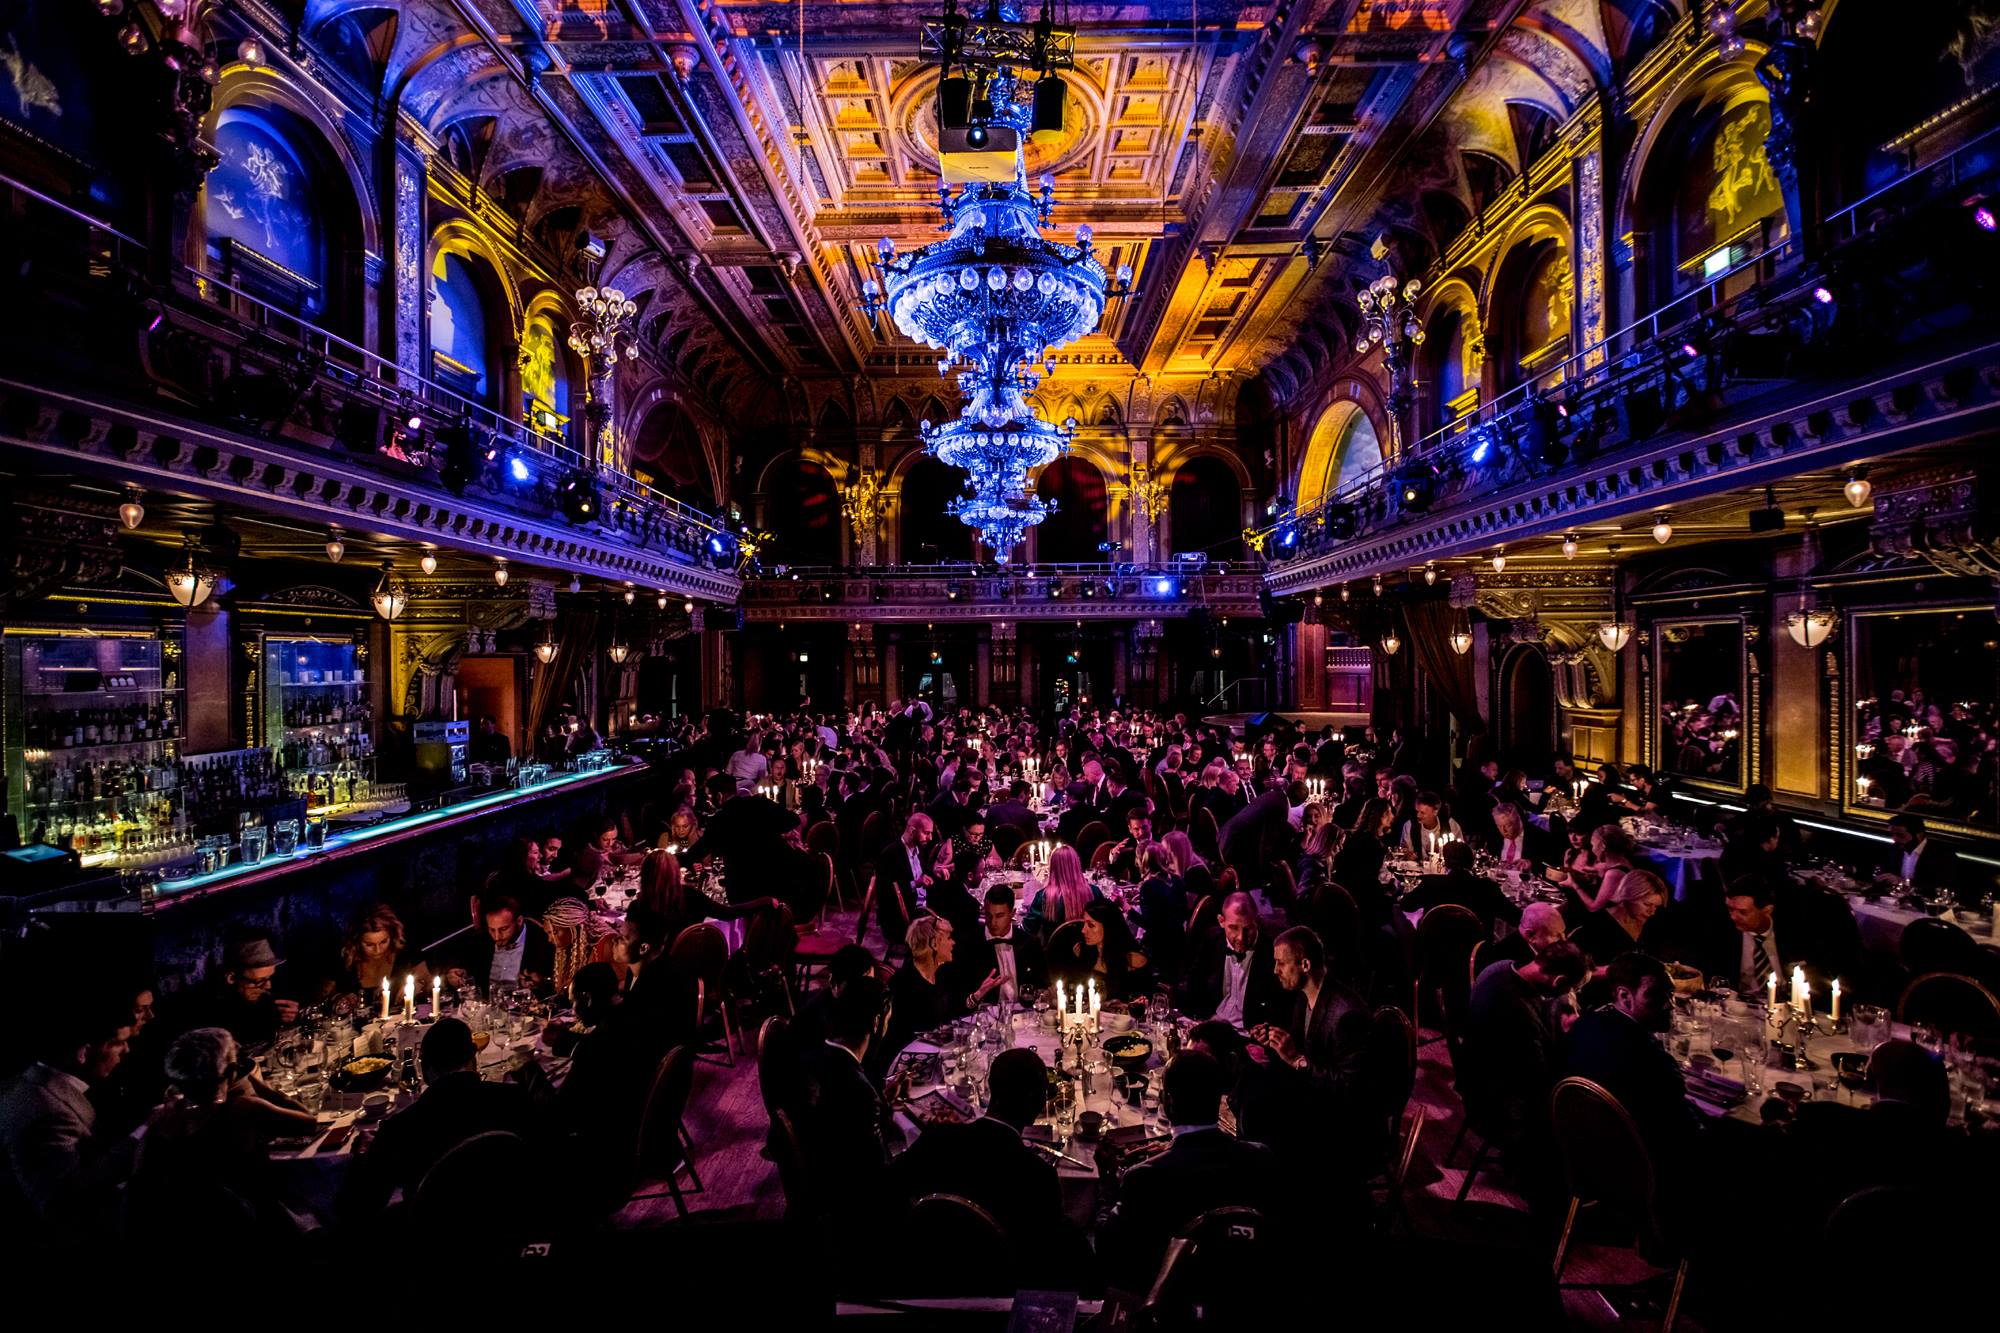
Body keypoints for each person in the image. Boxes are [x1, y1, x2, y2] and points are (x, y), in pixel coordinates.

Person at [890, 1047, 1081, 1281]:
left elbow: (887, 1188)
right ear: (1039, 1100)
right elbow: (1051, 1256)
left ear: (990, 1088)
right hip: (996, 1286)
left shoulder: (938, 1139)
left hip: (922, 1272)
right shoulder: (1037, 1175)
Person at [1097, 1049, 1283, 1289]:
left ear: (1168, 1101)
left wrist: (1108, 1182)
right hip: (1246, 1285)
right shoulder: (1261, 1157)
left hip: (1170, 1295)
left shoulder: (1143, 1178)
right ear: (1219, 1099)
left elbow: (1107, 1247)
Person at [127, 1027, 316, 1249]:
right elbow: (308, 1123)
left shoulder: (161, 1121)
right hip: (256, 1226)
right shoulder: (243, 1108)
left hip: (189, 1234)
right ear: (232, 1071)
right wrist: (264, 1088)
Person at [337, 1019, 541, 1223]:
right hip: (514, 1220)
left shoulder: (400, 1129)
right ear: (473, 1054)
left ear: (423, 1067)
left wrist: (361, 1156)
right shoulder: (515, 1099)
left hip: (436, 1233)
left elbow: (356, 1209)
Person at [0, 998, 137, 1232]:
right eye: (117, 1043)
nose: (126, 1050)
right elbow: (62, 1202)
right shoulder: (49, 1112)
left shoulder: (27, 1082)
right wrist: (142, 1136)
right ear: (84, 1052)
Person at [1462, 941, 1589, 1179]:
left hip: (1474, 1073)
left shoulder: (1500, 967)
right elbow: (1537, 1080)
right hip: (1492, 1104)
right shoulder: (1519, 1013)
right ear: (1559, 981)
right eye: (1569, 989)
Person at [1563, 952, 1699, 1173]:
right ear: (1625, 996)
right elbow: (1683, 1128)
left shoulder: (1585, 1024)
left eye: (1671, 994)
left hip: (1584, 1153)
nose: (1670, 1005)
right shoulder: (1651, 1061)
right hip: (1638, 1166)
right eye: (1656, 995)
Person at [794, 974, 895, 1225]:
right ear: (876, 1022)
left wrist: (882, 1100)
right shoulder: (860, 1091)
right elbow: (879, 1172)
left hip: (816, 1179)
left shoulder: (815, 1057)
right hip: (849, 1206)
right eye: (887, 1021)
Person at [1703, 872, 1862, 997]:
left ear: (1767, 910)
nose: (1733, 917)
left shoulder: (1797, 933)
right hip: (1738, 1009)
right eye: (1730, 909)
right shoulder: (1720, 931)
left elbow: (1821, 981)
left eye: (1742, 912)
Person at [1254, 926, 1371, 1090]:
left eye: (1281, 963)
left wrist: (1296, 1060)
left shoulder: (1347, 1015)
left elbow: (1350, 1085)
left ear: (1305, 965)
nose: (1275, 970)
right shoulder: (1304, 995)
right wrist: (1273, 1038)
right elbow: (1302, 1044)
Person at [882, 917, 993, 1073]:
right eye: (948, 938)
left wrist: (977, 995)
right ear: (934, 944)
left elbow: (952, 1010)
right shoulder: (903, 985)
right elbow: (902, 1039)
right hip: (906, 1067)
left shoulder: (941, 973)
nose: (953, 942)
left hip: (933, 1058)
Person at [1180, 891, 1284, 1033]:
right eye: (1233, 928)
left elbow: (1280, 1006)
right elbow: (1194, 983)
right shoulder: (1212, 940)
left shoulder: (1272, 952)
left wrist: (1265, 1029)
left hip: (1248, 1034)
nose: (1241, 937)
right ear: (1221, 921)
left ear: (1257, 922)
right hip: (1212, 1025)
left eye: (1247, 929)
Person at [176, 936, 300, 1048]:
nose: (268, 986)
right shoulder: (205, 1005)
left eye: (269, 978)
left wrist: (289, 1018)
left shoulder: (264, 996)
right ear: (231, 978)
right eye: (259, 981)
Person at [947, 883, 1046, 1005]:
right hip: (984, 1014)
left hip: (1024, 1013)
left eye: (999, 916)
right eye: (989, 915)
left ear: (1013, 913)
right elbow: (957, 997)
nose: (993, 922)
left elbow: (1043, 985)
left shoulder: (1029, 943)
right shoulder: (969, 946)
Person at [1400, 839, 1523, 933]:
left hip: (1435, 950)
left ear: (1445, 863)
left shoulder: (1431, 883)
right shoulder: (1487, 888)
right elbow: (1517, 918)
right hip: (1476, 953)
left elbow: (1406, 905)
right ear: (1472, 863)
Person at [448, 895, 554, 997]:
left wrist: (541, 983)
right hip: (487, 1006)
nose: (497, 937)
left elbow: (552, 986)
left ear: (519, 921)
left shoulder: (544, 941)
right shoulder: (480, 940)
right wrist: (456, 976)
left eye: (503, 929)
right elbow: (465, 974)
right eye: (492, 930)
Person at [1049, 898, 1152, 1002]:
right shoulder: (1081, 950)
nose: (1083, 930)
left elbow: (1142, 1000)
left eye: (1091, 925)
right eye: (1084, 923)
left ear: (1109, 928)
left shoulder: (1132, 959)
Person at [1569, 868, 1673, 968]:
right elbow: (1576, 968)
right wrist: (1611, 971)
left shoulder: (1649, 922)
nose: (1652, 912)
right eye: (1647, 904)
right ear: (1629, 896)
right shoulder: (1597, 925)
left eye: (1656, 907)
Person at [330, 904, 424, 999]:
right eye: (369, 944)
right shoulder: (344, 963)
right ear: (356, 941)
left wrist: (418, 984)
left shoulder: (405, 955)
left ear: (392, 936)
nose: (377, 950)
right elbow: (325, 997)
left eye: (383, 942)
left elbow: (427, 983)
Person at [870, 812, 936, 947]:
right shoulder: (890, 854)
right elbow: (885, 893)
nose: (930, 838)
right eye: (926, 833)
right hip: (899, 919)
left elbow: (923, 873)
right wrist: (915, 883)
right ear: (912, 831)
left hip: (920, 906)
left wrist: (936, 871)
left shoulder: (919, 848)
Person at [1874, 813, 1965, 901]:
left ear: (1919, 835)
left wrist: (1903, 882)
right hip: (1896, 901)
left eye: (1900, 835)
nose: (1894, 839)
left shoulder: (1942, 855)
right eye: (1892, 834)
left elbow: (1940, 887)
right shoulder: (1895, 849)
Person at [1023, 844, 1102, 937]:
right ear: (1077, 864)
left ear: (1052, 867)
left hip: (1054, 946)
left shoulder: (1043, 896)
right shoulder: (1094, 892)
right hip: (1088, 945)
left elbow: (1029, 929)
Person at [1486, 901, 1568, 969]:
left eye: (1563, 932)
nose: (1564, 939)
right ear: (1531, 935)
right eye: (1556, 935)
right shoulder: (1518, 966)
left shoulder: (1526, 943)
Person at [1485, 802, 1556, 870]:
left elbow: (1551, 865)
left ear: (1518, 820)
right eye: (1499, 826)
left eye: (1508, 825)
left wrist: (1531, 864)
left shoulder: (1539, 836)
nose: (1504, 831)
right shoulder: (1493, 837)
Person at [1397, 791, 1464, 860]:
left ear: (1435, 812)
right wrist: (1407, 855)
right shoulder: (1410, 826)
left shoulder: (1450, 824)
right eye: (1417, 811)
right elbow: (1404, 850)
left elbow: (1461, 850)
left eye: (1422, 813)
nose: (1418, 815)